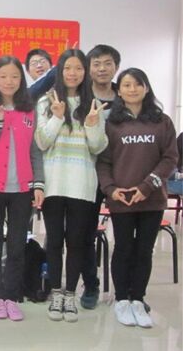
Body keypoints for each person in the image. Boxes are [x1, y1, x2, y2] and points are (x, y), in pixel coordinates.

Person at [97, 68, 177, 328]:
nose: (132, 89)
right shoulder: (111, 123)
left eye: (137, 84)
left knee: (144, 250)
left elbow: (170, 158)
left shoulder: (162, 121)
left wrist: (146, 186)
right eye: (127, 85)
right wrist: (111, 189)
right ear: (119, 91)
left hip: (151, 198)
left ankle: (138, 299)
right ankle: (122, 299)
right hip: (121, 199)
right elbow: (103, 161)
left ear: (146, 88)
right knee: (123, 248)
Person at [34, 49, 108, 323]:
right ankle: (56, 293)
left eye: (78, 68)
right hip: (53, 182)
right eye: (67, 68)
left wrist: (92, 125)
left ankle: (70, 295)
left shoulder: (93, 104)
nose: (73, 73)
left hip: (83, 184)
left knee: (77, 242)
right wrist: (56, 117)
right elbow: (42, 142)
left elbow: (97, 147)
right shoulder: (46, 101)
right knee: (54, 241)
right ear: (60, 71)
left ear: (85, 72)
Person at [0, 55, 45, 321]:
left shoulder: (29, 111)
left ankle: (12, 297)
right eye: (3, 76)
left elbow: (35, 151)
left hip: (22, 189)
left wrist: (38, 184)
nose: (9, 81)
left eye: (14, 76)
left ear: (21, 79)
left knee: (17, 246)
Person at [80, 44, 121, 309]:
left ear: (116, 67)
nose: (102, 69)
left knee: (125, 235)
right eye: (96, 64)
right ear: (89, 68)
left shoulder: (125, 94)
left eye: (107, 63)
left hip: (121, 174)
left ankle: (126, 290)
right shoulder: (81, 96)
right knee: (86, 233)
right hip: (87, 173)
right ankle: (91, 285)